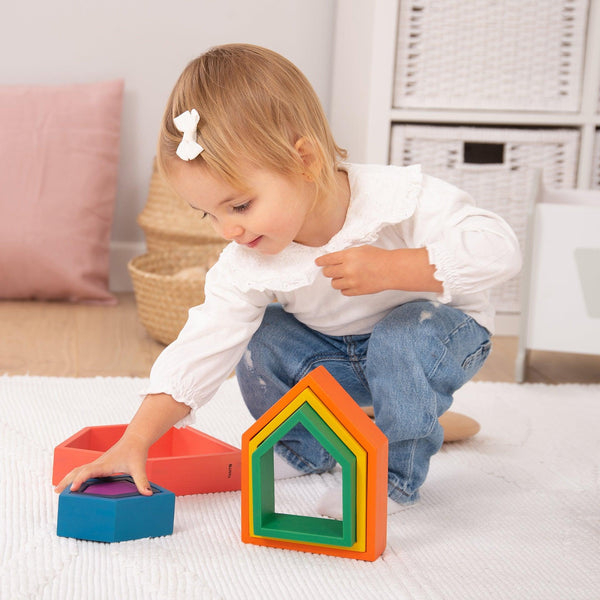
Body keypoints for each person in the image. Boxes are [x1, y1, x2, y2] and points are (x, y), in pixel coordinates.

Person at [55, 44, 521, 516]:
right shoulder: (249, 259)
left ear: (304, 159)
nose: (228, 230)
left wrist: (395, 268)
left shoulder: (396, 199)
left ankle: (390, 478)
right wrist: (136, 442)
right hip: (338, 353)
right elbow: (201, 345)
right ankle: (308, 446)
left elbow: (500, 250)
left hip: (437, 338)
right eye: (208, 214)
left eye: (239, 206)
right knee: (263, 335)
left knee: (401, 335)